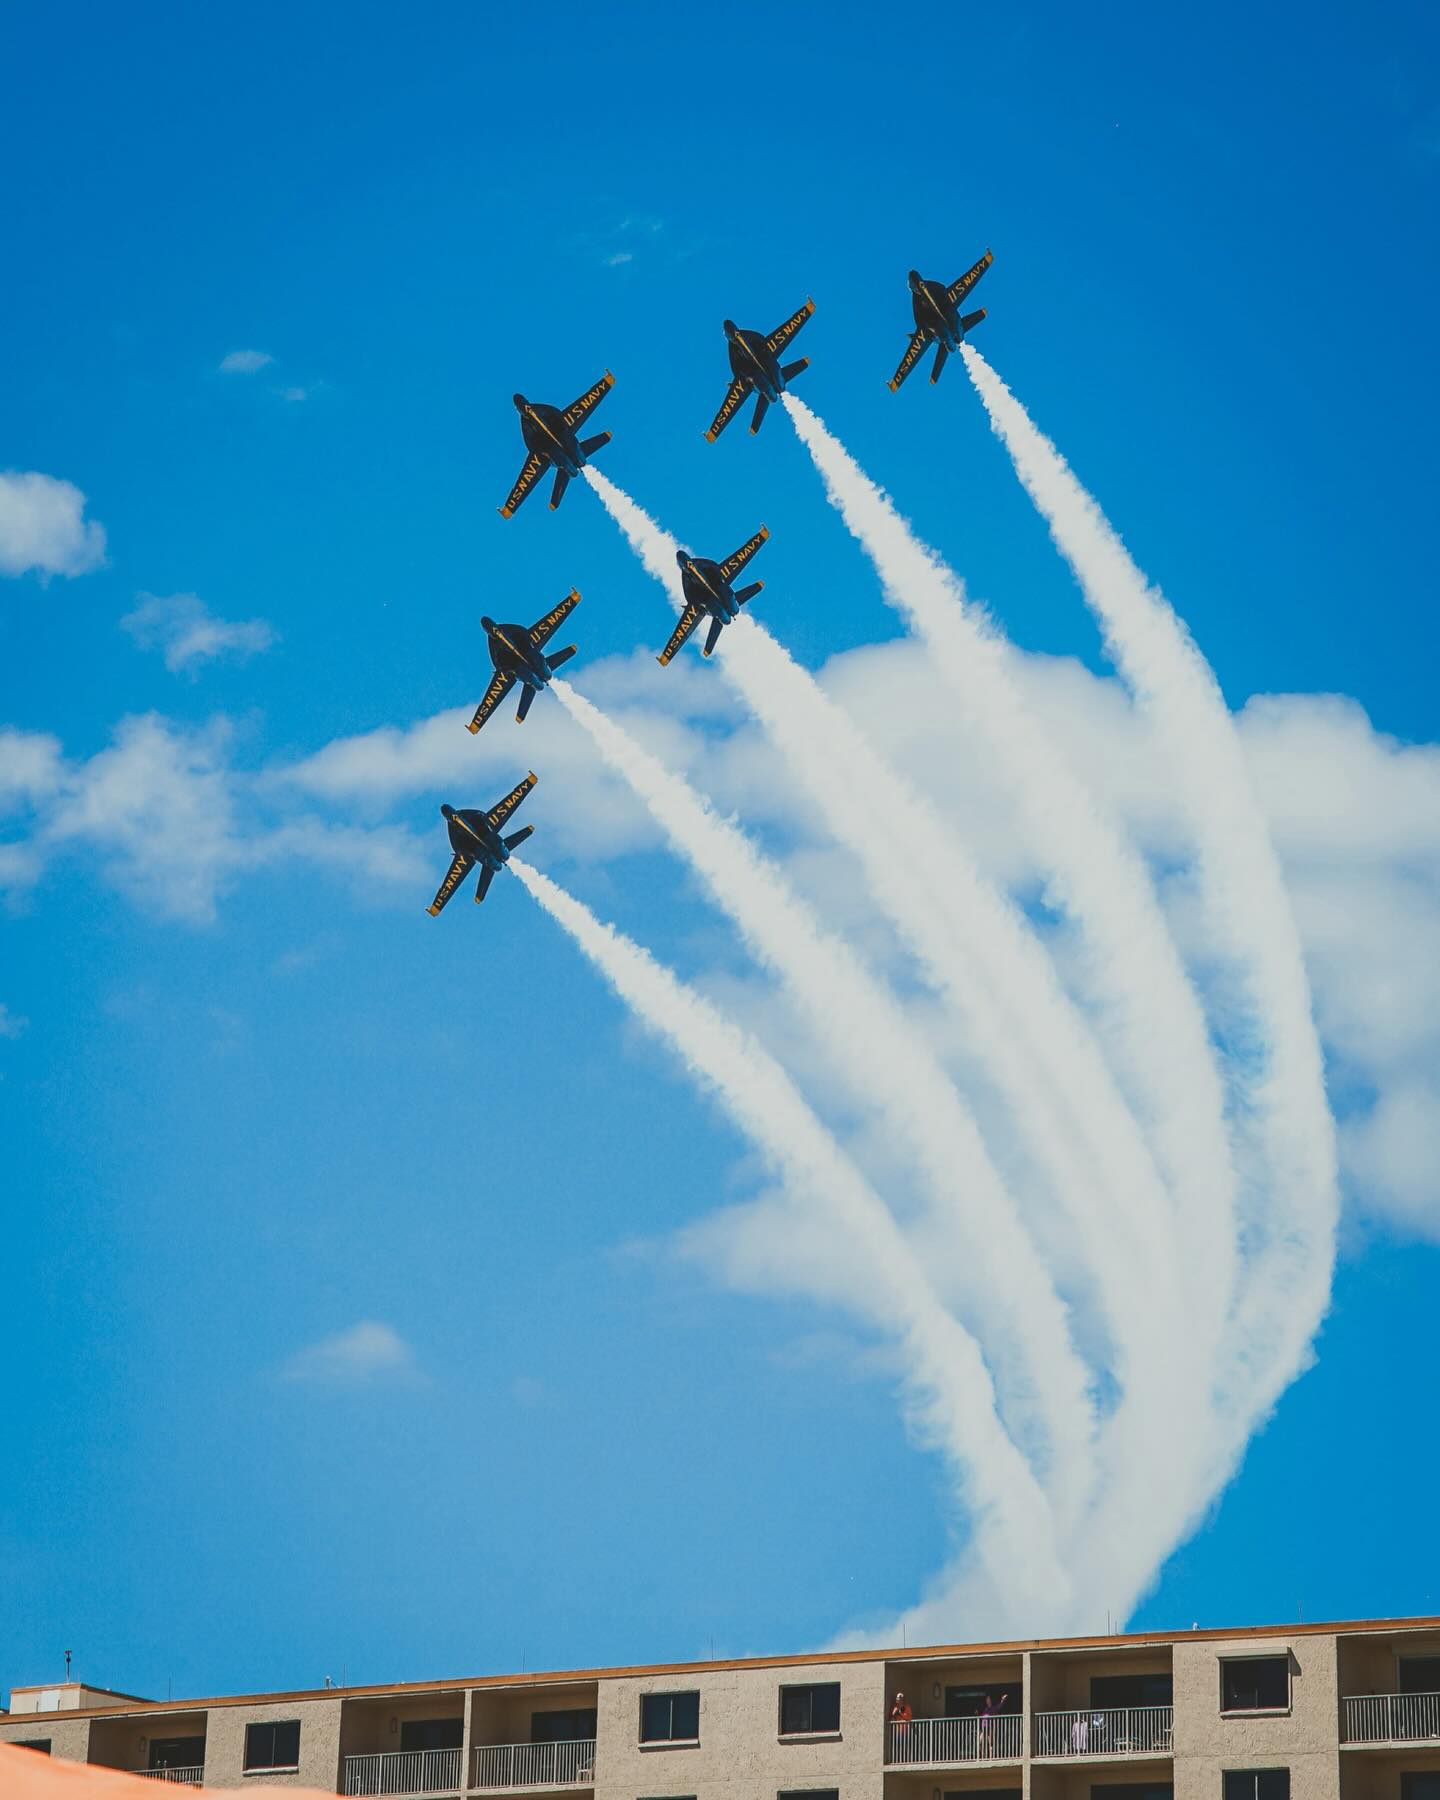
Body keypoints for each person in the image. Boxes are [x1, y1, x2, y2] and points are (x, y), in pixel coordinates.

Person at [890, 1693, 913, 1761]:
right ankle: (898, 1759)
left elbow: (909, 1718)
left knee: (906, 1746)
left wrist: (900, 1713)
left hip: (905, 1730)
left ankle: (907, 1759)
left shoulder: (907, 1707)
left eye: (900, 1699)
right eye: (898, 1699)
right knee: (897, 1746)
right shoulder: (895, 1707)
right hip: (897, 1730)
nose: (899, 1700)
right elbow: (892, 1716)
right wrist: (896, 1710)